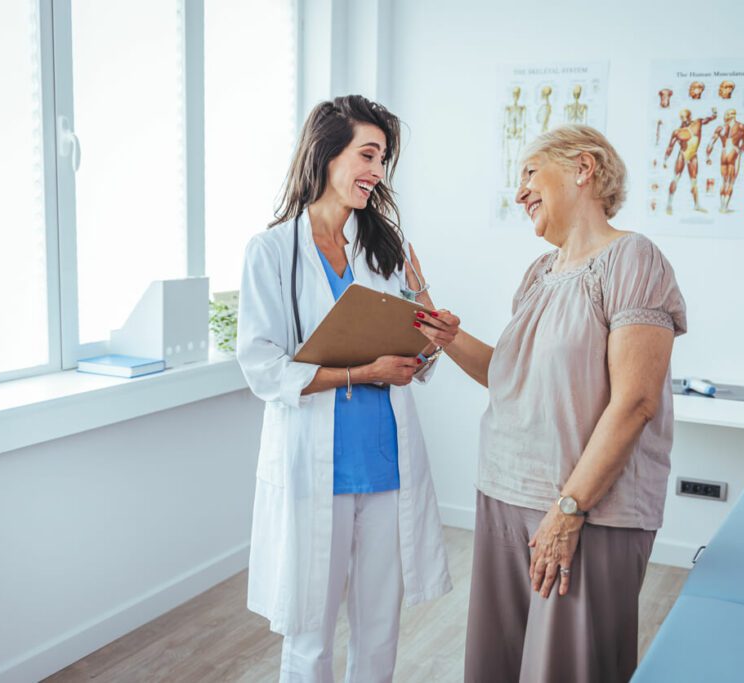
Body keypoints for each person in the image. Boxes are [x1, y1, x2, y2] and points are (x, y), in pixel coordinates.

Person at [416, 124, 687, 682]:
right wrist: (441, 329)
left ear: (583, 169)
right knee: (501, 666)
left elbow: (636, 401)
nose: (519, 194)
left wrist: (569, 510)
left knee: (563, 671)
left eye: (529, 174)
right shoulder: (539, 274)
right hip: (505, 497)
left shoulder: (634, 260)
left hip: (584, 511)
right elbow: (510, 378)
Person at [236, 95, 454, 683]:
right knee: (310, 630)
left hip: (385, 463)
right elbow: (260, 366)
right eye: (368, 154)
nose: (377, 172)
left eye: (382, 159)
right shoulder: (272, 252)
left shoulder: (385, 247)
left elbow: (413, 352)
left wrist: (434, 335)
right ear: (326, 152)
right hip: (316, 469)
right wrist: (362, 372)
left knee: (379, 629)